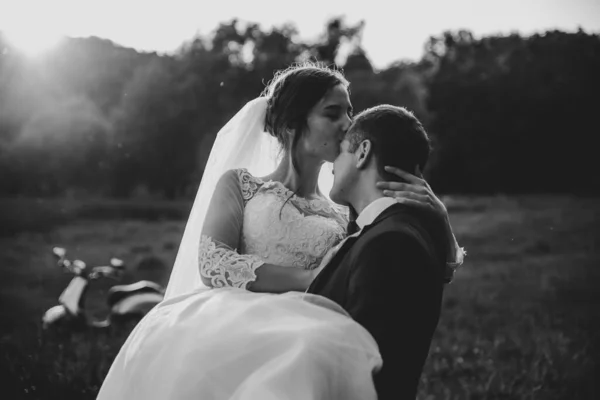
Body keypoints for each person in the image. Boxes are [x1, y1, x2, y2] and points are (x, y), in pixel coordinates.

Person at [97, 63, 464, 400]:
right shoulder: (240, 185)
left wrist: (440, 221)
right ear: (293, 122)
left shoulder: (345, 206)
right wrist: (312, 278)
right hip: (237, 327)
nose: (348, 123)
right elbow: (213, 261)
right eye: (333, 113)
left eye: (349, 112)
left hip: (310, 332)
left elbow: (400, 268)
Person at [308, 104, 448, 399]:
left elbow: (368, 371)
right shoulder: (387, 232)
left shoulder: (390, 244)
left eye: (342, 151)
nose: (332, 163)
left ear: (362, 153)